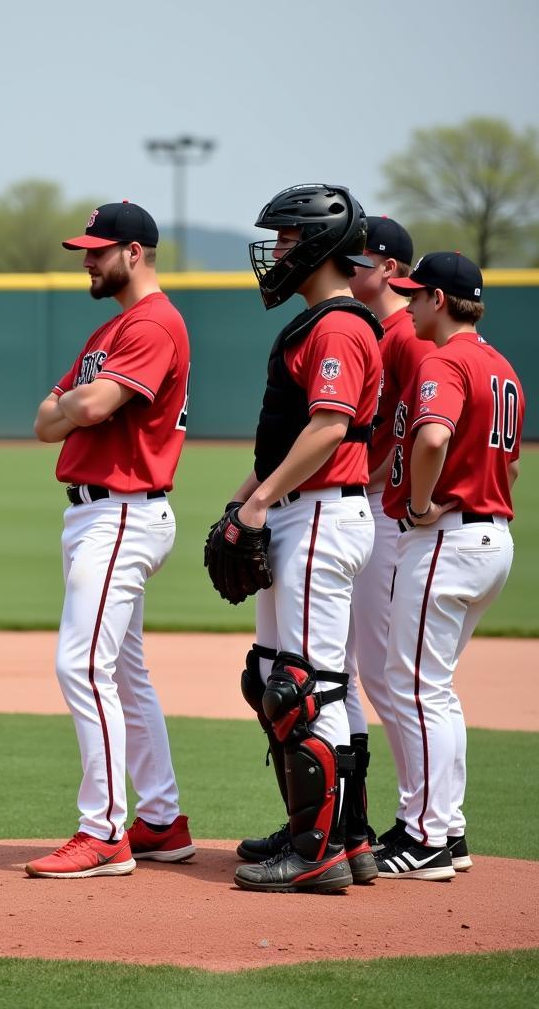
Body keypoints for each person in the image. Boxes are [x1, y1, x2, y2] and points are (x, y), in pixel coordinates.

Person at [26, 200, 195, 879]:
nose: (87, 261)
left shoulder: (153, 323)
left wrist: (80, 404)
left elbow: (85, 407)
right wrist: (77, 404)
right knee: (124, 671)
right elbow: (44, 422)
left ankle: (104, 832)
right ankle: (160, 819)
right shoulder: (110, 331)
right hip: (99, 512)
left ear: (133, 252)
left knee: (80, 665)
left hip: (123, 509)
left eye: (97, 250)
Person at [226, 183, 383, 893]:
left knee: (306, 689)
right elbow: (290, 437)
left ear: (319, 247)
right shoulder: (320, 322)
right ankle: (340, 838)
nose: (276, 253)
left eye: (287, 240)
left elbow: (326, 427)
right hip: (304, 509)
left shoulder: (339, 328)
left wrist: (259, 501)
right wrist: (244, 501)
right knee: (275, 679)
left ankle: (316, 854)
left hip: (319, 513)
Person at [375, 252, 522, 880]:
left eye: (414, 295)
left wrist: (417, 502)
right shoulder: (501, 365)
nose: (407, 304)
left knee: (413, 686)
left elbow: (432, 437)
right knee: (432, 687)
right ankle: (449, 829)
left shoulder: (445, 359)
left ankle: (426, 836)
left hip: (450, 541)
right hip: (492, 542)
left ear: (440, 298)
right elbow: (511, 466)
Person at [345, 216, 433, 851]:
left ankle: (423, 821)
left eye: (361, 258)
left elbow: (419, 430)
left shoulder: (404, 336)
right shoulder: (380, 330)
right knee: (351, 669)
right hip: (371, 508)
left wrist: (371, 479)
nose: (350, 266)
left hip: (382, 511)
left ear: (392, 271)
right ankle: (362, 818)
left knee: (383, 672)